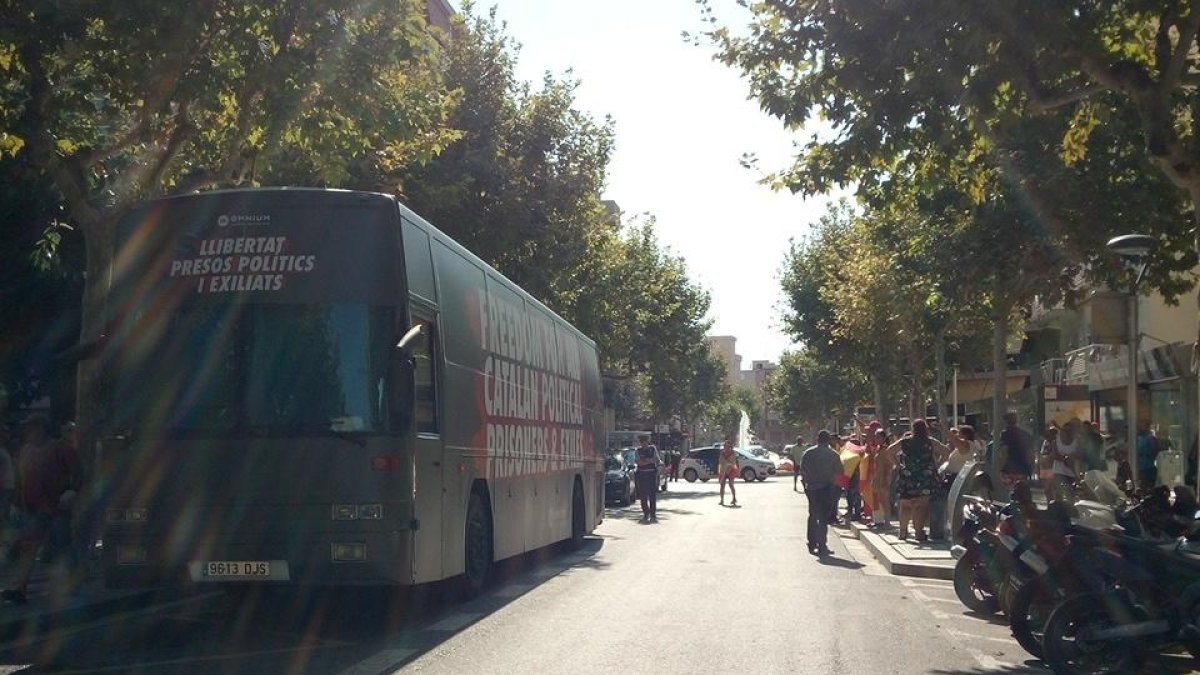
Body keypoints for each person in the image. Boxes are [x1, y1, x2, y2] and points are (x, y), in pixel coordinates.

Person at [3, 415, 82, 604]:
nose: (26, 432)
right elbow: (22, 480)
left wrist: (72, 490)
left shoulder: (61, 448)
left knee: (64, 547)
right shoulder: (27, 451)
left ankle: (74, 583)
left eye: (30, 428)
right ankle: (20, 590)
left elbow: (78, 473)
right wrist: (17, 503)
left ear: (41, 429)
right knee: (29, 549)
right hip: (33, 508)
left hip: (56, 508)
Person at [888, 420, 948, 542]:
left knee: (906, 505)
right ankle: (918, 532)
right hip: (925, 476)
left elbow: (889, 451)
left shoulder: (905, 441)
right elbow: (946, 452)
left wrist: (898, 465)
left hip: (907, 476)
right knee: (921, 506)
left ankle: (903, 531)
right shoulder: (930, 441)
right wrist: (936, 465)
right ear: (925, 428)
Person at [800, 430, 842, 556]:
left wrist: (807, 483)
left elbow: (803, 470)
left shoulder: (808, 453)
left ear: (817, 439)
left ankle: (812, 542)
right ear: (828, 440)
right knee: (823, 517)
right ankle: (822, 544)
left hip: (812, 488)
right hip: (826, 488)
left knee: (812, 514)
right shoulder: (833, 454)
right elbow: (840, 471)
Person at [996, 412, 1035, 488]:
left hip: (1009, 468)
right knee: (1022, 490)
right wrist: (1032, 467)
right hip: (1024, 468)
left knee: (1010, 490)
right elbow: (1030, 453)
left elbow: (1004, 451)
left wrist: (1000, 467)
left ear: (1005, 422)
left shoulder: (1005, 434)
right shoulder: (1026, 434)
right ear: (1017, 420)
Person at [633, 434, 660, 523]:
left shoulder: (652, 449)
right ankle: (646, 513)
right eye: (641, 443)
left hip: (651, 474)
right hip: (642, 475)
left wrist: (646, 461)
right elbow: (638, 462)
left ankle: (653, 513)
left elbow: (656, 460)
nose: (643, 444)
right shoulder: (638, 451)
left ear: (647, 442)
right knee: (643, 495)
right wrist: (649, 460)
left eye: (644, 442)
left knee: (652, 495)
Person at [1137, 421, 1160, 491]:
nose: (1141, 428)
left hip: (1148, 467)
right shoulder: (1138, 438)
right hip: (1141, 467)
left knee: (1148, 487)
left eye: (1143, 426)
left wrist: (1145, 453)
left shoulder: (1150, 439)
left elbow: (1154, 451)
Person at [717, 439, 739, 507]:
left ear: (730, 446)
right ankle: (722, 500)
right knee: (722, 485)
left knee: (731, 484)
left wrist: (727, 465)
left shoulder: (733, 453)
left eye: (728, 446)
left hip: (731, 470)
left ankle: (734, 498)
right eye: (725, 446)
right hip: (723, 470)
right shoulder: (722, 453)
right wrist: (721, 471)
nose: (726, 447)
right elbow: (720, 461)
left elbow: (732, 462)